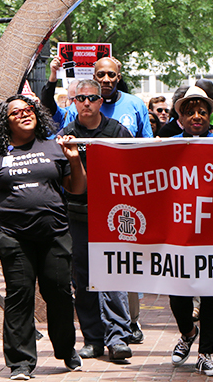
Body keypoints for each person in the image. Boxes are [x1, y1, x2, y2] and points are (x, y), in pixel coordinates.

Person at [0, 95, 86, 380]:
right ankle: (20, 363)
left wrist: (75, 160)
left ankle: (66, 349)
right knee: (20, 297)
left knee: (59, 294)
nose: (24, 114)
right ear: (5, 123)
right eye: (16, 113)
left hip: (55, 235)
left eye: (29, 110)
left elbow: (77, 189)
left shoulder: (54, 147)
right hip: (14, 238)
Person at [59, 79, 136, 362]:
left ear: (101, 101)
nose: (87, 103)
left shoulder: (118, 131)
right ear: (74, 103)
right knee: (84, 280)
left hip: (115, 219)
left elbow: (138, 167)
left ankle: (118, 338)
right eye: (81, 99)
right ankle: (93, 339)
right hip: (78, 219)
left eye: (92, 98)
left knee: (115, 276)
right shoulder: (67, 135)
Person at [169, 86, 213, 377]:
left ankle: (206, 354)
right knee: (177, 295)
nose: (197, 116)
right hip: (177, 234)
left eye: (202, 111)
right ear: (181, 117)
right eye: (190, 112)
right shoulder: (165, 146)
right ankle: (188, 332)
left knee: (212, 295)